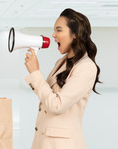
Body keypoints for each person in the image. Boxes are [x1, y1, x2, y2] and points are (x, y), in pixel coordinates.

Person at [24, 8, 101, 149]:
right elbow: (46, 97)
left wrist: (35, 73)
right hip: (45, 142)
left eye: (59, 30)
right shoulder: (61, 62)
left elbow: (56, 105)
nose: (53, 35)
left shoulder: (86, 67)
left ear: (75, 35)